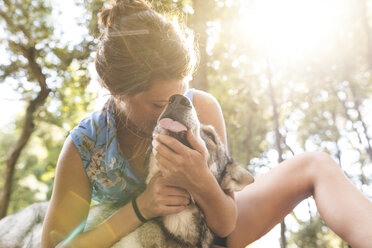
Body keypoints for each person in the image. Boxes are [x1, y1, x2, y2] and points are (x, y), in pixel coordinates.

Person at [41, 0, 372, 247]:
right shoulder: (86, 145)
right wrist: (140, 208)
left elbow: (227, 224)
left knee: (315, 164)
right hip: (140, 238)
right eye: (159, 103)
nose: (177, 109)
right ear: (117, 92)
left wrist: (201, 180)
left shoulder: (200, 107)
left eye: (181, 94)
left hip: (210, 232)